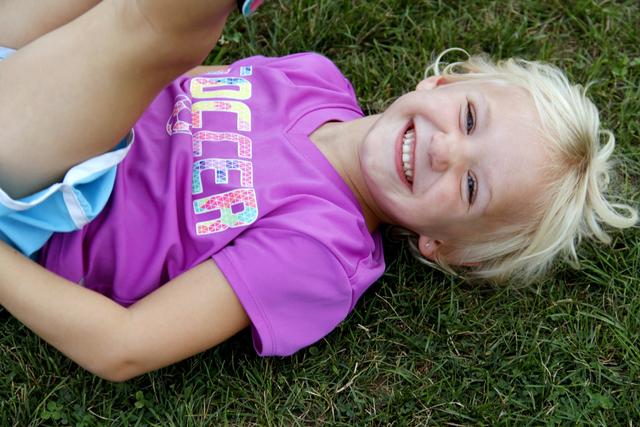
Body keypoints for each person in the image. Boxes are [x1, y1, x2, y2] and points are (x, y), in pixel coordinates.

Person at [0, 1, 636, 382]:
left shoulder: (322, 252)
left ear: (443, 245)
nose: (445, 150)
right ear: (444, 83)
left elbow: (123, 347)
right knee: (147, 28)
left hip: (50, 197)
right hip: (47, 87)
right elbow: (172, 81)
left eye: (471, 186)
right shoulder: (314, 79)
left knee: (162, 26)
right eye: (470, 119)